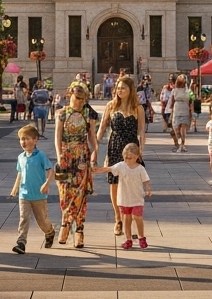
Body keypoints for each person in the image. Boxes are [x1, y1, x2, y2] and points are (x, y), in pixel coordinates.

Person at [98, 76, 147, 235]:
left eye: (123, 88)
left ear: (130, 90)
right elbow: (103, 127)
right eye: (118, 88)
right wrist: (94, 146)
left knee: (131, 185)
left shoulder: (138, 108)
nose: (119, 90)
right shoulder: (111, 106)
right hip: (115, 146)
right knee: (114, 185)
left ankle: (129, 219)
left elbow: (141, 131)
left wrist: (141, 151)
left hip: (131, 150)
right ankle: (118, 219)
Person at [54, 82, 99, 248]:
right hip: (66, 155)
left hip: (81, 156)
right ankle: (65, 224)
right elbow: (57, 136)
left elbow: (92, 137)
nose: (79, 101)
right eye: (77, 98)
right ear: (69, 95)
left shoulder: (88, 114)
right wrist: (59, 155)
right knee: (64, 192)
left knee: (80, 193)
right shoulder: (62, 113)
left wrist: (95, 152)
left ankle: (79, 229)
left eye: (82, 99)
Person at [95, 142, 151, 249]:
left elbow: (146, 180)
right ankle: (128, 239)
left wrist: (148, 189)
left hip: (137, 198)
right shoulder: (121, 166)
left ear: (137, 157)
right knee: (127, 218)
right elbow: (109, 169)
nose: (128, 159)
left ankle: (141, 237)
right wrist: (96, 170)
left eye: (130, 157)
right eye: (126, 157)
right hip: (124, 198)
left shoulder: (140, 168)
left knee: (137, 217)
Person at [10, 124, 56, 254]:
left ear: (35, 140)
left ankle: (49, 231)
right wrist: (15, 188)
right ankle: (21, 243)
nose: (23, 142)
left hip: (39, 195)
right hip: (24, 194)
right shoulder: (21, 157)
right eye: (21, 139)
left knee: (42, 221)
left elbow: (50, 170)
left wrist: (46, 184)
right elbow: (20, 172)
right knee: (24, 218)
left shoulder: (40, 156)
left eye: (26, 138)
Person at [171, 75, 193, 152]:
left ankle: (181, 144)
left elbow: (171, 102)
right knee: (180, 128)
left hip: (180, 109)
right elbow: (191, 100)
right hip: (181, 109)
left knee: (180, 127)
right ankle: (182, 143)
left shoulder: (177, 90)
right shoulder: (185, 90)